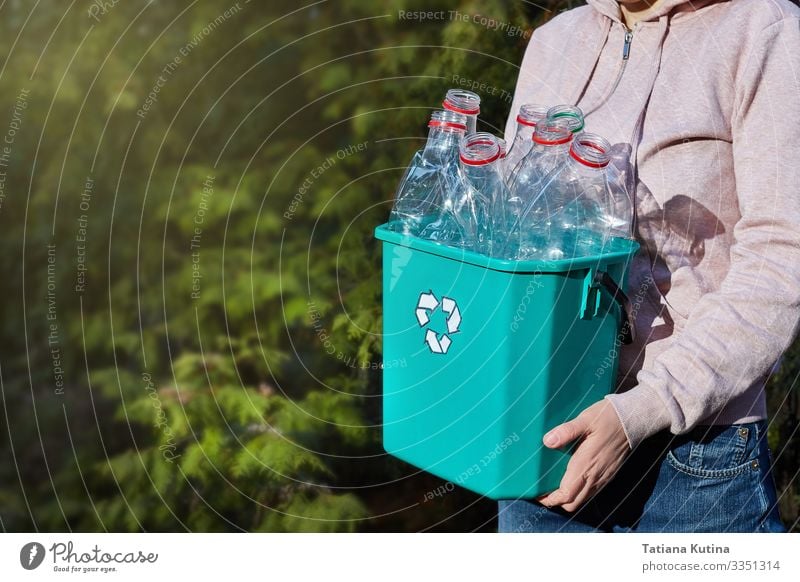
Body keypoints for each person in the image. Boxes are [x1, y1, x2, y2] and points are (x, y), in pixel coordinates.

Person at [499, 0, 800, 532]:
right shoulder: (555, 41)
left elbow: (783, 255)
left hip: (701, 457)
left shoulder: (762, 28)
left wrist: (644, 409)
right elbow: (513, 236)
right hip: (547, 433)